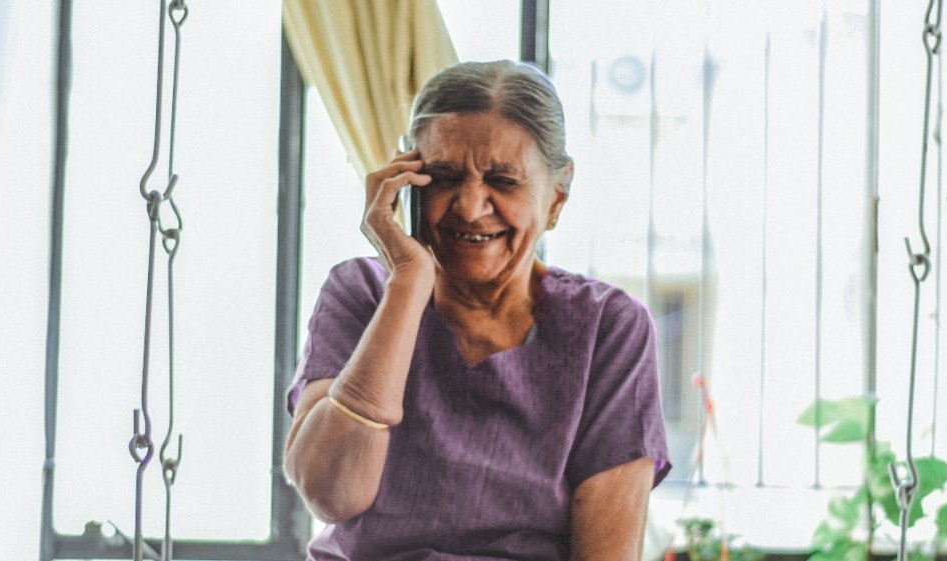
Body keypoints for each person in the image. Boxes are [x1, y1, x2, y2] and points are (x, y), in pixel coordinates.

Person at [284, 60, 671, 561]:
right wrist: (407, 283)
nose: (469, 207)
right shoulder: (360, 293)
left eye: (503, 181)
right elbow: (330, 494)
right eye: (443, 177)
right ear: (408, 179)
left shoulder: (608, 327)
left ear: (556, 195)